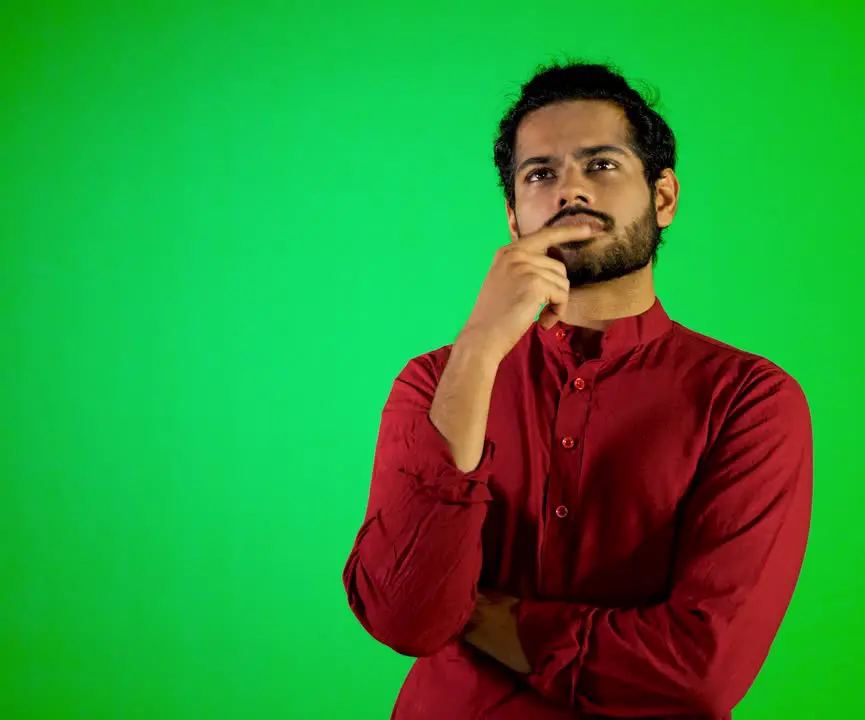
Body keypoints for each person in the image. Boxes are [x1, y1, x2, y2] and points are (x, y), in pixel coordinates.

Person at [342, 61, 814, 719]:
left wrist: (484, 618)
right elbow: (405, 618)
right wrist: (478, 349)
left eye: (601, 166)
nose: (571, 192)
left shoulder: (748, 400)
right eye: (541, 175)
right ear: (513, 217)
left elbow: (702, 672)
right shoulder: (433, 383)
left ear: (665, 197)